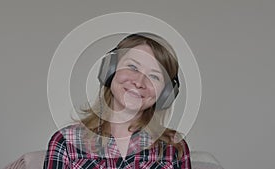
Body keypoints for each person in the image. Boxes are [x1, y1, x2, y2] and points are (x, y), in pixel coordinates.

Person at [43, 33, 191, 169]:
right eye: (132, 67)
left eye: (154, 76)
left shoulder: (174, 148)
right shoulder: (66, 142)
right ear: (110, 70)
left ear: (166, 93)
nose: (139, 82)